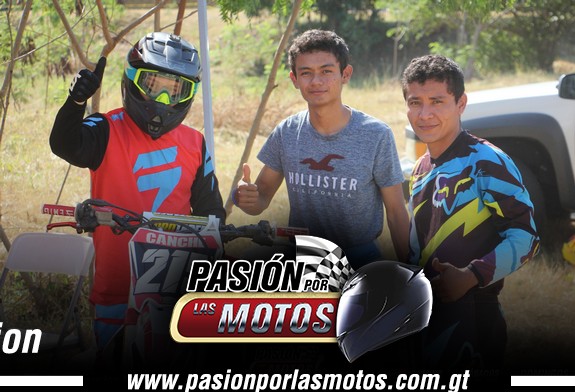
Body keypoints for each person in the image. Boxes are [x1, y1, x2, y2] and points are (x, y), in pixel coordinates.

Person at [49, 32, 225, 367]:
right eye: (153, 85)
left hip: (175, 288)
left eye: (175, 90)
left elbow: (212, 211)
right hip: (116, 287)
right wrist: (76, 102)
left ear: (190, 94)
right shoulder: (105, 128)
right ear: (131, 80)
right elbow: (65, 145)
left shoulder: (195, 142)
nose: (163, 99)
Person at [400, 54, 540, 371]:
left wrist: (471, 275)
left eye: (437, 101)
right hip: (428, 318)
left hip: (476, 319)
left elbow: (527, 236)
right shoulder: (420, 168)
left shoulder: (487, 160)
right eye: (415, 103)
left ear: (461, 103)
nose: (424, 114)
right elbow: (417, 248)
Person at [233, 29, 410, 269]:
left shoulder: (376, 135)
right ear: (295, 79)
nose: (316, 81)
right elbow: (261, 198)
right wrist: (246, 197)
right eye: (306, 73)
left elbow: (397, 212)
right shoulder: (287, 132)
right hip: (302, 258)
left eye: (326, 71)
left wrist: (410, 271)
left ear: (345, 74)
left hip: (360, 259)